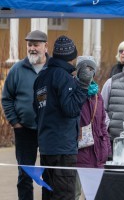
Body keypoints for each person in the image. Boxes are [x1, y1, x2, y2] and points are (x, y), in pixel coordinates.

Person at [33, 35, 94, 200]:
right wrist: (82, 85)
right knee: (64, 196)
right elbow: (71, 109)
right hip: (63, 150)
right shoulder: (63, 77)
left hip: (47, 147)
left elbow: (36, 109)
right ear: (72, 57)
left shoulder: (41, 77)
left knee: (49, 195)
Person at [1, 30, 49, 200]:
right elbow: (6, 98)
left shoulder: (53, 69)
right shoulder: (17, 69)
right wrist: (15, 122)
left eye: (36, 44)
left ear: (45, 46)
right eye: (30, 45)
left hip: (48, 131)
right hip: (24, 130)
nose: (32, 48)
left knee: (50, 174)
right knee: (25, 174)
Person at [75, 56, 111, 200]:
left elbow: (102, 125)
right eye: (84, 68)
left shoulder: (98, 96)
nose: (88, 73)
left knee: (94, 195)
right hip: (79, 153)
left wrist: (106, 150)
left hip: (97, 154)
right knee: (75, 193)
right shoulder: (74, 93)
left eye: (91, 69)